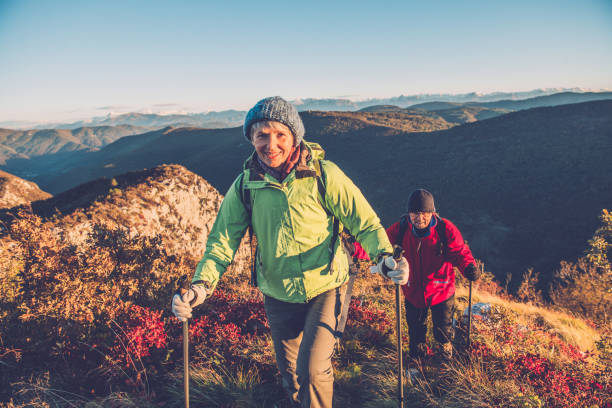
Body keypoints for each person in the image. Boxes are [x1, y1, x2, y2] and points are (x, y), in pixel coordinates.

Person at [171, 96, 409, 408]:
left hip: (326, 284)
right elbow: (222, 243)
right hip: (278, 292)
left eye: (280, 134)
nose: (271, 144)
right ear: (252, 139)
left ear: (294, 136)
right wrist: (200, 287)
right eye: (261, 135)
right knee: (292, 376)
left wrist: (384, 256)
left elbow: (363, 222)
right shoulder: (246, 185)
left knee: (311, 370)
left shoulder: (324, 175)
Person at [385, 189, 480, 361]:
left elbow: (459, 252)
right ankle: (417, 363)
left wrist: (468, 268)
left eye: (424, 213)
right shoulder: (401, 229)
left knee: (442, 330)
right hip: (413, 291)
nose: (419, 218)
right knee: (415, 330)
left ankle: (445, 358)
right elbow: (380, 244)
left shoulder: (445, 229)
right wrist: (355, 249)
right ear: (409, 214)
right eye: (415, 213)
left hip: (441, 291)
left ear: (432, 213)